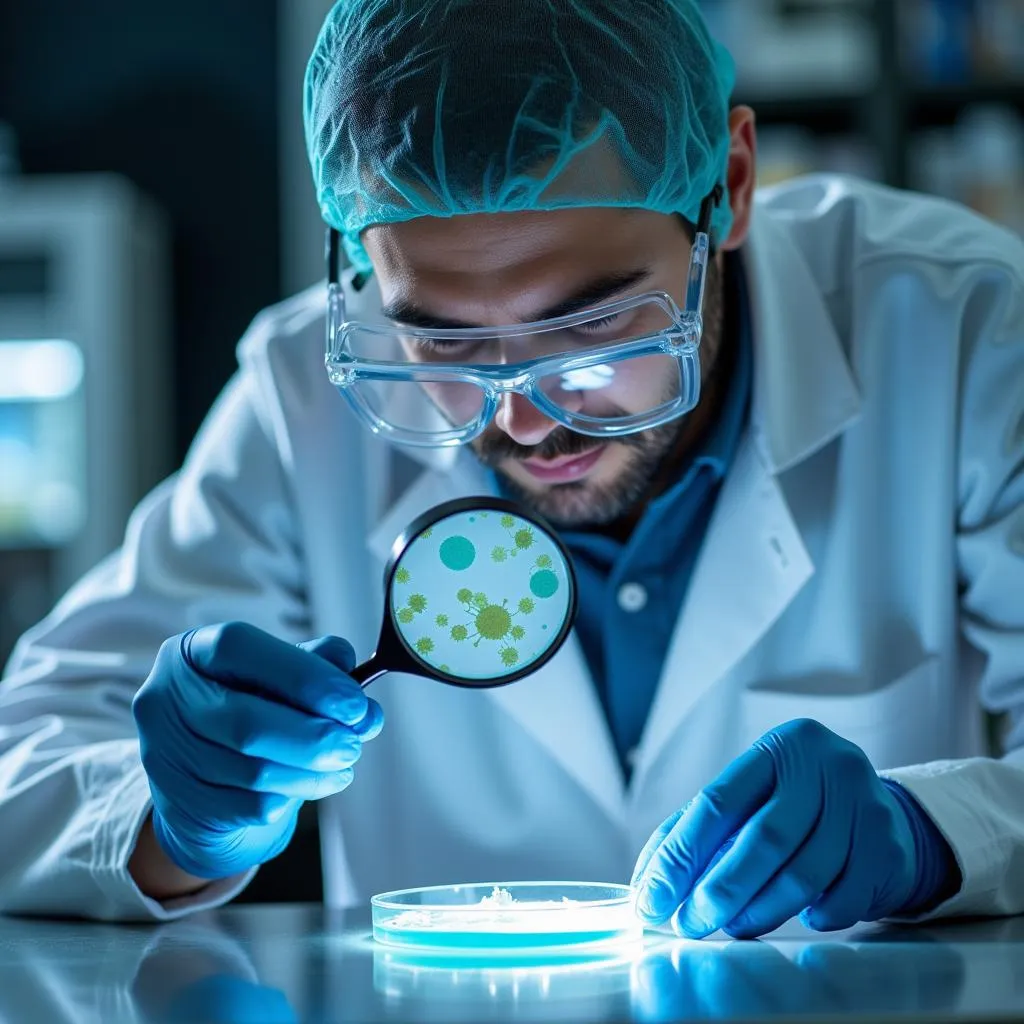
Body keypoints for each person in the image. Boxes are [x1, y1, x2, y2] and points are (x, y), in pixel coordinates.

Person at [0, 0, 1022, 939]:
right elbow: (23, 766)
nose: (525, 418)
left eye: (589, 326)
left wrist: (933, 831)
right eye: (441, 342)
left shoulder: (957, 326)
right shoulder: (299, 397)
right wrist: (169, 821)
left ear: (733, 190)